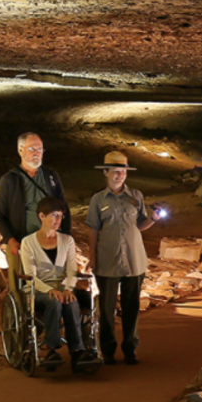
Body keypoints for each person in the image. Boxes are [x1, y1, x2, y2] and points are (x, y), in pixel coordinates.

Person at [86, 151, 161, 365]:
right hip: (107, 259)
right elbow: (92, 230)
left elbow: (140, 225)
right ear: (106, 173)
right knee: (107, 309)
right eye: (116, 172)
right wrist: (92, 257)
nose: (120, 175)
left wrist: (154, 219)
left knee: (131, 307)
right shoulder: (98, 200)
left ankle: (130, 349)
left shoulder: (136, 196)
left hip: (133, 259)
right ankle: (108, 351)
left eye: (123, 171)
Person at [20, 197, 98, 372]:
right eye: (54, 215)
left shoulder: (66, 240)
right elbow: (30, 275)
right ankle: (52, 349)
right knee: (53, 301)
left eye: (60, 216)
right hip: (38, 289)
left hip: (63, 287)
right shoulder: (28, 242)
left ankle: (78, 351)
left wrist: (68, 289)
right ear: (42, 216)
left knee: (70, 301)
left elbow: (71, 270)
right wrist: (51, 290)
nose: (57, 220)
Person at [0, 132, 71, 294]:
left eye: (40, 149)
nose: (37, 153)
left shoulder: (50, 177)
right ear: (21, 150)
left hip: (50, 242)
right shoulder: (10, 180)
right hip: (21, 243)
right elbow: (0, 215)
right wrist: (11, 240)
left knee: (54, 285)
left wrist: (66, 237)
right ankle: (20, 317)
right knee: (20, 287)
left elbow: (64, 208)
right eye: (32, 149)